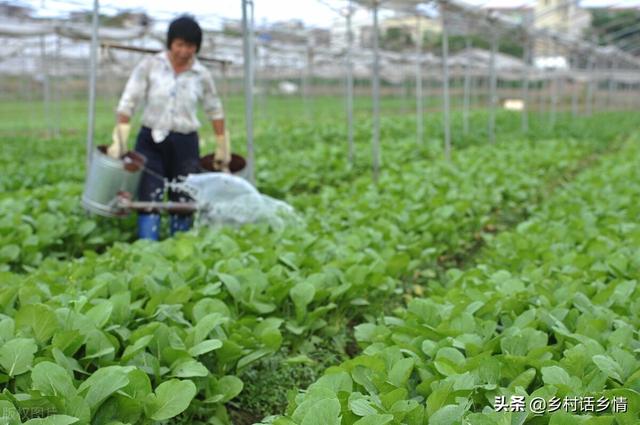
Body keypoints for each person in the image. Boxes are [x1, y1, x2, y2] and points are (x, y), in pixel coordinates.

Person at [107, 15, 230, 241]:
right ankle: (148, 247)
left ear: (197, 47)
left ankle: (178, 247)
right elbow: (128, 101)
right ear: (170, 43)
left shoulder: (201, 74)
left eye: (190, 46)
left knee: (183, 197)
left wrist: (222, 144)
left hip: (185, 142)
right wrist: (120, 137)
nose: (184, 51)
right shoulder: (151, 66)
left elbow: (215, 109)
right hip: (150, 140)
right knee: (149, 196)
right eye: (180, 44)